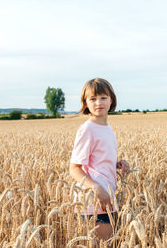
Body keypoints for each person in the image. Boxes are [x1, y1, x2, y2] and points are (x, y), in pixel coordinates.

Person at [69, 77, 130, 245]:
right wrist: (96, 188)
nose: (98, 103)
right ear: (85, 103)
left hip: (107, 196)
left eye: (103, 97)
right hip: (94, 199)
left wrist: (118, 162)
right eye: (93, 99)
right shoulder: (87, 129)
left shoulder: (107, 128)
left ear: (112, 99)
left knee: (109, 243)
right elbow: (74, 168)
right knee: (104, 244)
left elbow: (100, 157)